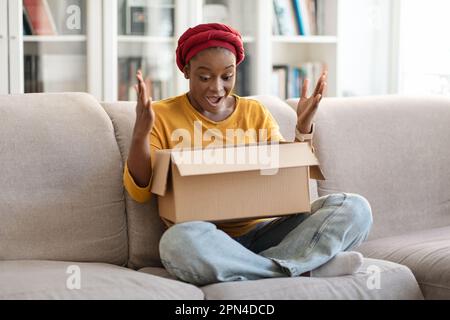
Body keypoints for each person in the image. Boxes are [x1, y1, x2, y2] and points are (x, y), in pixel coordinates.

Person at [124, 23, 373, 286]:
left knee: (355, 208)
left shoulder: (255, 113)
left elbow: (284, 179)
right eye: (205, 77)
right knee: (176, 243)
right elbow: (140, 192)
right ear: (186, 71)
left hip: (265, 233)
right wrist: (140, 134)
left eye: (227, 76)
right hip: (207, 240)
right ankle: (302, 267)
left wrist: (302, 128)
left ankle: (260, 267)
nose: (217, 88)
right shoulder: (161, 115)